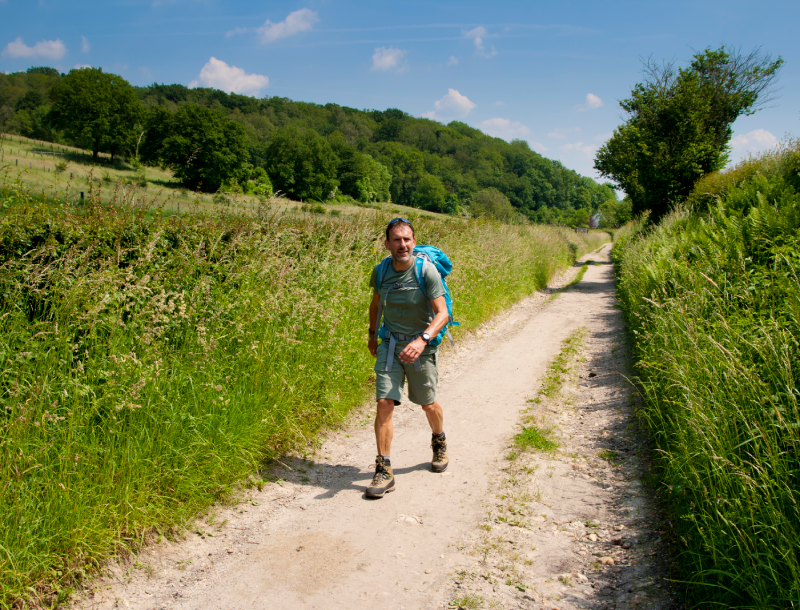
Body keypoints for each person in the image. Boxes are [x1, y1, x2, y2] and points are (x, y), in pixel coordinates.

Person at [366, 218, 450, 498]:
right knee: (384, 403)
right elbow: (375, 304)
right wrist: (372, 335)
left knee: (428, 404)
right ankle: (384, 469)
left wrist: (422, 339)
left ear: (413, 242)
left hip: (421, 348)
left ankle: (439, 439)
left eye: (406, 239)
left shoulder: (426, 271)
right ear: (387, 244)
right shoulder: (381, 271)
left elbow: (442, 314)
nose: (402, 244)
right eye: (396, 240)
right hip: (390, 345)